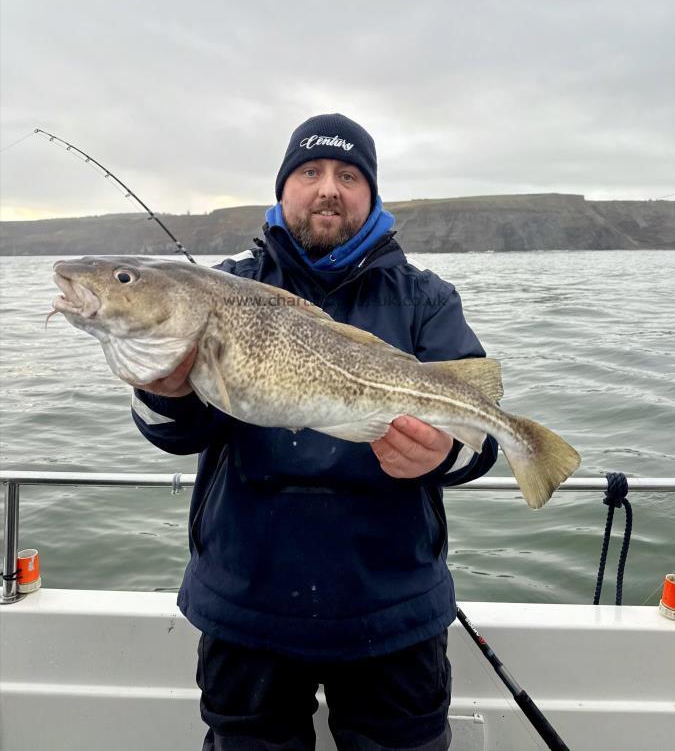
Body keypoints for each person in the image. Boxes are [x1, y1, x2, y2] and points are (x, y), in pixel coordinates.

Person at [131, 113, 498, 751]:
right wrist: (160, 388)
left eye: (348, 175)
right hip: (247, 606)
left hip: (392, 610)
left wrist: (442, 454)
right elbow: (179, 434)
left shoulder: (426, 300)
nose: (328, 188)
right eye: (310, 172)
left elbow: (482, 436)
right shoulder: (225, 288)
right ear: (283, 190)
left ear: (372, 195)